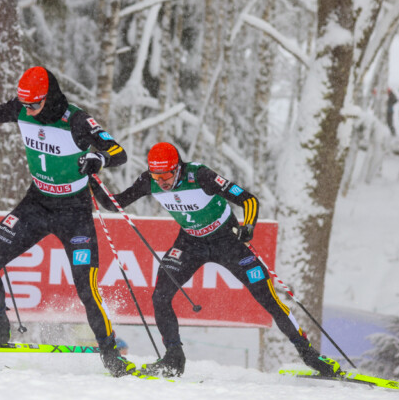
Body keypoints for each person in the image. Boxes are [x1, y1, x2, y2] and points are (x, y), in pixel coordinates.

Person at [93, 142, 343, 378]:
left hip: (227, 241)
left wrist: (249, 227)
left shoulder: (200, 176)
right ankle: (173, 358)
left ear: (177, 167)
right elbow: (115, 204)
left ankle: (310, 356)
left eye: (166, 177)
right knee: (160, 295)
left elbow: (248, 199)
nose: (162, 183)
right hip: (190, 243)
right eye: (156, 177)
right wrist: (91, 180)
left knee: (267, 298)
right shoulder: (151, 181)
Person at [0, 66, 134, 377]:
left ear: (49, 98)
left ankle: (109, 351)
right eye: (26, 104)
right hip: (36, 203)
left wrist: (98, 159)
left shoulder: (76, 120)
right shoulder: (23, 107)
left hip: (74, 212)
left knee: (86, 287)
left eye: (35, 104)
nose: (29, 110)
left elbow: (118, 152)